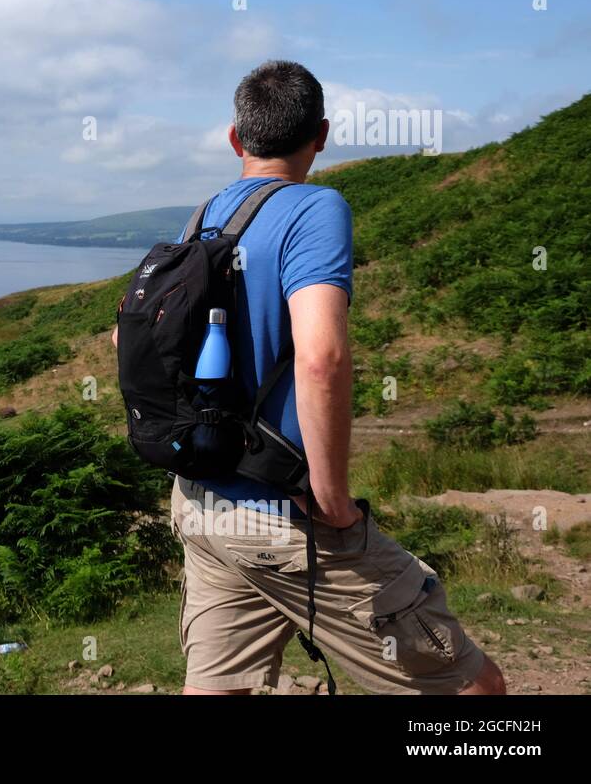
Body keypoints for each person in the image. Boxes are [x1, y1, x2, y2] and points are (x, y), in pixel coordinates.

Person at [113, 60, 505, 695]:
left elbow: (130, 338)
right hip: (288, 516)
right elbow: (320, 356)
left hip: (202, 502)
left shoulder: (203, 218)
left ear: (235, 139)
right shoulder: (315, 209)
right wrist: (333, 498)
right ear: (320, 135)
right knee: (470, 688)